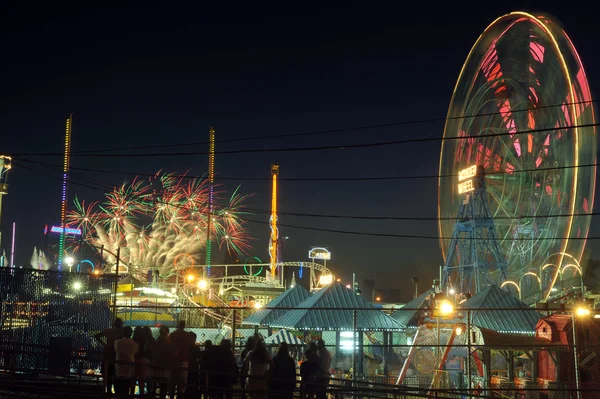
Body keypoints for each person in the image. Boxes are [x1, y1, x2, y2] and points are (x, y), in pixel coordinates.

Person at [95, 317, 124, 394]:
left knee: (107, 372)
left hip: (108, 353)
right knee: (115, 372)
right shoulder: (122, 332)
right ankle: (116, 390)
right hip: (116, 353)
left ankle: (107, 390)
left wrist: (104, 344)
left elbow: (97, 336)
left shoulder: (109, 331)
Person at [169, 320, 194, 396]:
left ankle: (172, 395)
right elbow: (191, 346)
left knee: (173, 381)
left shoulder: (173, 335)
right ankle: (181, 395)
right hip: (184, 360)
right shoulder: (188, 336)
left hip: (174, 361)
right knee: (182, 383)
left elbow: (169, 346)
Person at [114, 326, 139, 398]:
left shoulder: (117, 342)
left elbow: (115, 350)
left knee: (118, 388)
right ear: (131, 333)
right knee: (126, 388)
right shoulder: (134, 344)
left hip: (119, 367)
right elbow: (136, 352)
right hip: (129, 368)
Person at [151, 325, 175, 399]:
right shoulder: (166, 343)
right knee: (163, 387)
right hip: (163, 367)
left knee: (156, 386)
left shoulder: (158, 341)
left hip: (157, 366)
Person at [133, 326, 154, 397]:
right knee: (147, 379)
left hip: (136, 359)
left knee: (136, 378)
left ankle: (133, 394)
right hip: (147, 360)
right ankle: (147, 394)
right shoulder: (151, 339)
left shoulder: (136, 338)